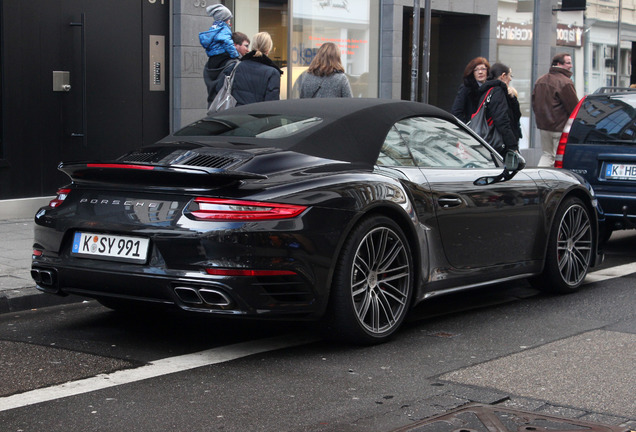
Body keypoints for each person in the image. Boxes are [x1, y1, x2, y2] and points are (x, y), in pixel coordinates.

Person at [532, 53, 579, 167]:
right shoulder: (565, 82)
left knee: (547, 155)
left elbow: (534, 103)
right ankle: (555, 181)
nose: (571, 66)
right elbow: (574, 108)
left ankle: (540, 178)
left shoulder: (540, 80)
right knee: (559, 159)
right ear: (559, 64)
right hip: (560, 127)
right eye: (568, 63)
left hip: (544, 127)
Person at [474, 62, 520, 156]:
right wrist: (513, 146)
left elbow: (516, 115)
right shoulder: (498, 91)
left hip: (489, 143)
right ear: (503, 76)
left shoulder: (487, 90)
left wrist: (512, 98)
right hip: (497, 145)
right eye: (509, 76)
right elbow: (502, 120)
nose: (510, 79)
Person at [225, 32, 283, 105]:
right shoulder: (272, 73)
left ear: (253, 46)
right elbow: (271, 105)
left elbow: (222, 89)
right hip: (257, 115)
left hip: (236, 114)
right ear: (268, 49)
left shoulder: (235, 67)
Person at [201, 4, 240, 105]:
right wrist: (235, 55)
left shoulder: (213, 29)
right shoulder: (224, 29)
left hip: (213, 57)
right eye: (229, 19)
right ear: (225, 19)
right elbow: (227, 42)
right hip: (222, 55)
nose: (230, 22)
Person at [451, 57, 491, 123]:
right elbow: (456, 112)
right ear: (472, 73)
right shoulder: (466, 88)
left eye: (483, 69)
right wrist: (468, 127)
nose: (480, 72)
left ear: (487, 71)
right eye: (476, 70)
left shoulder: (492, 88)